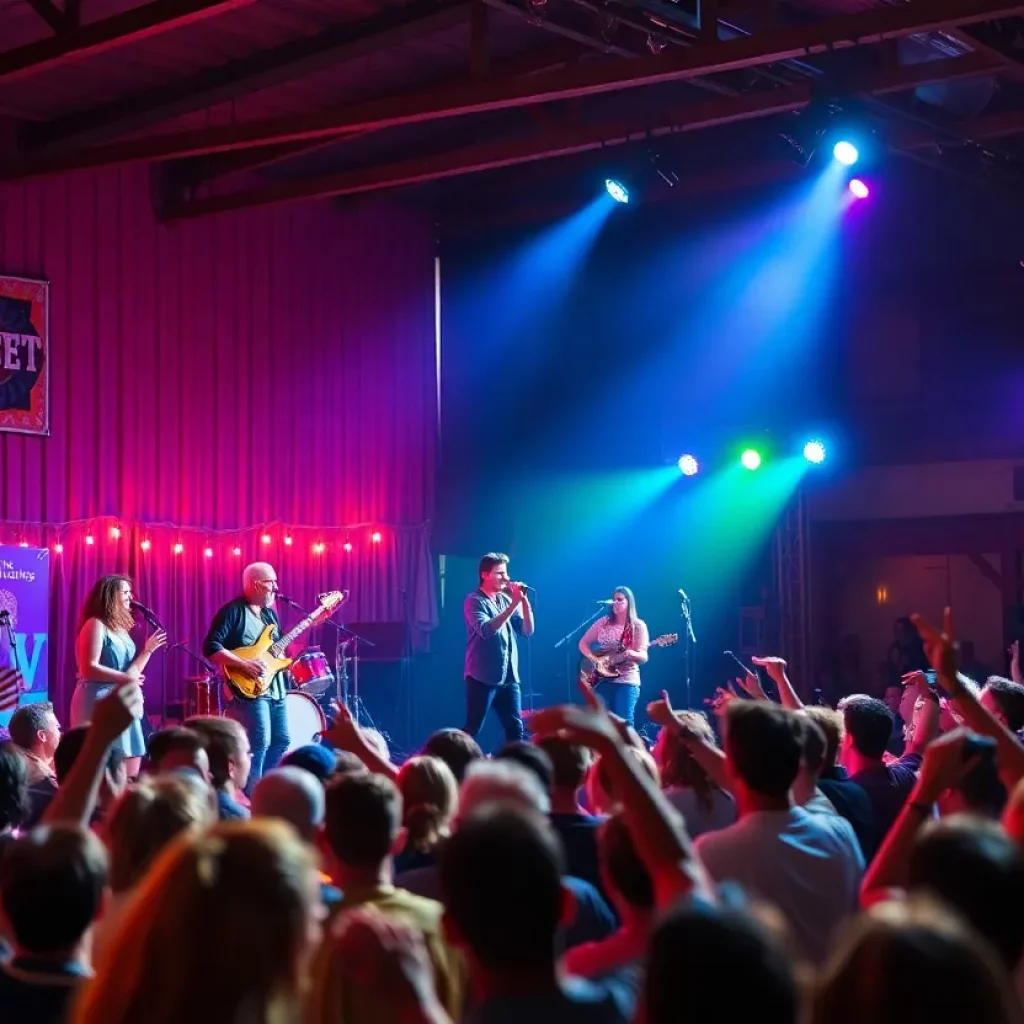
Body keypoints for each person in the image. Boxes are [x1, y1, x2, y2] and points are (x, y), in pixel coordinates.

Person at [203, 561, 328, 790]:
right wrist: (243, 663)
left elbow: (277, 650)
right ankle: (252, 795)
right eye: (271, 582)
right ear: (256, 584)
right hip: (250, 688)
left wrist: (311, 624)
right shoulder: (232, 612)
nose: (276, 588)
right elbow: (210, 648)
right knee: (260, 743)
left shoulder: (270, 615)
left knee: (281, 741)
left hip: (275, 686)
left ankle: (264, 787)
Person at [71, 575, 166, 778]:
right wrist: (125, 679)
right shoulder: (95, 624)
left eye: (130, 592)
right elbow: (88, 668)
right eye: (124, 592)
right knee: (101, 769)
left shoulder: (120, 629)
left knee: (129, 768)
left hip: (122, 701)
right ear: (110, 595)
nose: (130, 596)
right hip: (98, 700)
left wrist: (147, 651)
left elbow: (130, 673)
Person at [463, 552, 534, 744]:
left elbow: (527, 631)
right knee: (473, 727)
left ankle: (514, 769)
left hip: (509, 676)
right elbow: (486, 630)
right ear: (485, 575)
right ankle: (454, 765)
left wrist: (524, 602)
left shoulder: (504, 599)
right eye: (500, 573)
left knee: (515, 727)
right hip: (482, 676)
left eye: (506, 573)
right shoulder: (474, 600)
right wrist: (513, 604)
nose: (507, 578)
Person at [578, 587, 649, 729]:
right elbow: (583, 643)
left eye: (620, 600)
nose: (615, 603)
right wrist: (594, 659)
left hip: (626, 681)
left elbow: (643, 656)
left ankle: (629, 751)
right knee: (600, 723)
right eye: (614, 600)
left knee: (624, 724)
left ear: (629, 602)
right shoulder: (603, 622)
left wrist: (631, 654)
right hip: (602, 680)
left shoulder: (637, 626)